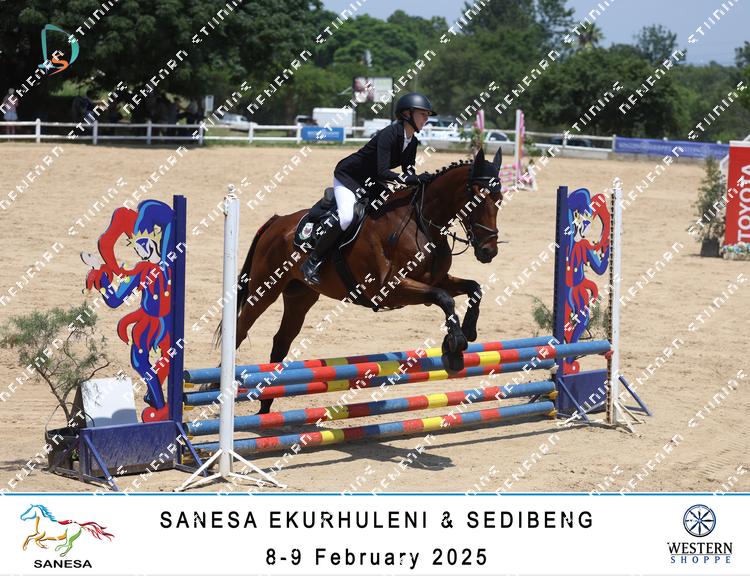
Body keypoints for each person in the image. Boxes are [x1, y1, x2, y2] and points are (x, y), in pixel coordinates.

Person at [301, 92, 435, 285]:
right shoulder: (389, 134)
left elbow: (409, 171)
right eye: (423, 114)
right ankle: (312, 261)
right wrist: (412, 178)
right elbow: (383, 171)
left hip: (371, 180)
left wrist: (421, 180)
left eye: (427, 115)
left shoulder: (412, 141)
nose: (426, 118)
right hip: (349, 177)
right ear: (407, 114)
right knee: (347, 217)